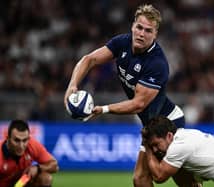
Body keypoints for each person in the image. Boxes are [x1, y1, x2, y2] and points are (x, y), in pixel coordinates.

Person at [64, 4, 201, 187]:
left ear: (155, 35)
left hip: (169, 124)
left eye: (148, 31)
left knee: (179, 180)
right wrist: (72, 85)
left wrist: (103, 109)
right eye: (139, 27)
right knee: (140, 180)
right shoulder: (122, 43)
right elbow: (89, 59)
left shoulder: (157, 64)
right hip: (150, 126)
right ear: (132, 26)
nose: (142, 34)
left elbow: (138, 104)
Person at [0, 119, 59, 187]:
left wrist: (37, 168)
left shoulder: (32, 145)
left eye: (24, 140)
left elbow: (55, 166)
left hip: (23, 183)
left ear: (28, 138)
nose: (21, 146)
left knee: (46, 178)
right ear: (8, 138)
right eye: (17, 140)